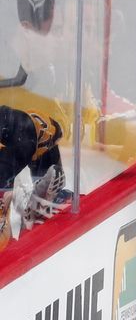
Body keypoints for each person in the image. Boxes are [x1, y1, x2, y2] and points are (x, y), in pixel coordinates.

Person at [0, 105, 71, 250]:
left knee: (6, 188)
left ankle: (37, 203)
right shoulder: (40, 129)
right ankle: (41, 202)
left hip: (25, 135)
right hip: (25, 132)